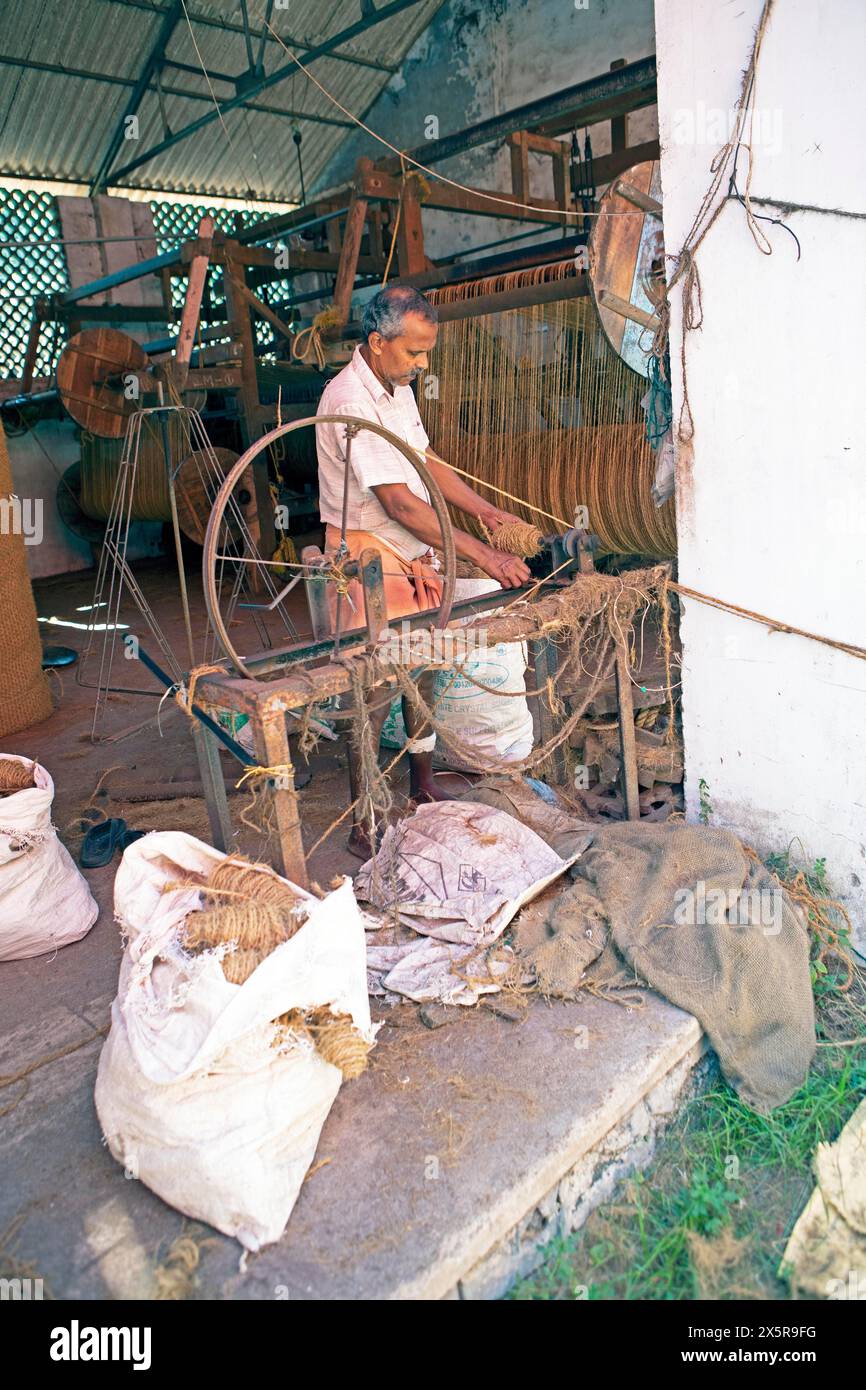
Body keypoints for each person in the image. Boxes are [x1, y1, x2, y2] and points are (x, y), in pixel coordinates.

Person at [315, 285, 531, 855]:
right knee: (377, 682)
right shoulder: (350, 401)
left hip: (407, 549)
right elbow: (401, 503)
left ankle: (422, 783)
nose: (423, 363)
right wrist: (487, 556)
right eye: (414, 352)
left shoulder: (396, 386)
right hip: (363, 554)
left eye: (426, 351)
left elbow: (425, 462)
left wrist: (485, 511)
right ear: (376, 342)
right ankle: (364, 820)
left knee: (424, 663)